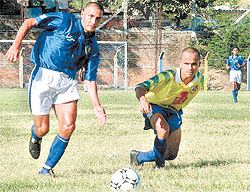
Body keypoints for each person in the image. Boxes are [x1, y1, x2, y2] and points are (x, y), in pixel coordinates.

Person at [6, 2, 106, 177]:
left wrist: (97, 107)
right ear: (82, 13)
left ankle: (46, 169)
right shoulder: (64, 20)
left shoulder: (93, 45)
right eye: (90, 16)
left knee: (68, 126)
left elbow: (89, 79)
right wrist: (16, 45)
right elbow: (29, 22)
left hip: (67, 81)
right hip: (43, 77)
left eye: (97, 18)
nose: (93, 21)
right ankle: (35, 136)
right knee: (42, 128)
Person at [130, 47, 204, 168]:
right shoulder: (167, 76)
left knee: (170, 154)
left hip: (174, 111)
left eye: (194, 64)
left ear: (199, 64)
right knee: (163, 129)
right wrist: (143, 100)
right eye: (186, 64)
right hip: (154, 106)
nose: (190, 68)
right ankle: (160, 167)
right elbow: (140, 86)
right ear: (180, 63)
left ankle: (138, 157)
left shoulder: (199, 80)